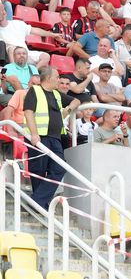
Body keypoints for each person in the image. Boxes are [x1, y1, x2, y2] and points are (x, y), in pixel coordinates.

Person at [24, 65, 77, 208]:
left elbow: (76, 101)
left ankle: (36, 201)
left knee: (59, 168)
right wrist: (34, 134)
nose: (59, 80)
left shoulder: (57, 94)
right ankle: (41, 204)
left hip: (55, 138)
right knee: (39, 171)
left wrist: (67, 110)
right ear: (48, 78)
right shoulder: (34, 90)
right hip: (39, 138)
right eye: (57, 77)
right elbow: (28, 112)